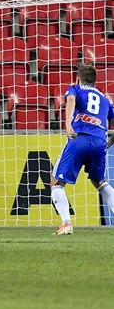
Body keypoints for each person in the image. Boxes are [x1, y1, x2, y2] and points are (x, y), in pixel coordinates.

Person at [51, 65, 114, 235]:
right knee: (99, 182)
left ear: (78, 78)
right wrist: (107, 144)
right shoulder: (105, 99)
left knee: (56, 182)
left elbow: (70, 100)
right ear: (95, 81)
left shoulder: (75, 89)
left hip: (79, 138)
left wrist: (68, 123)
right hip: (100, 142)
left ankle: (66, 223)